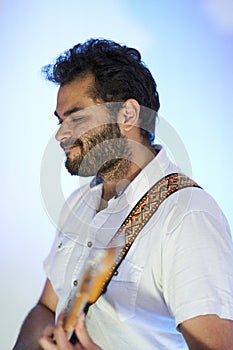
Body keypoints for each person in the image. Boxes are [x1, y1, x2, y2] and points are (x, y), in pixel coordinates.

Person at [13, 38, 233, 350]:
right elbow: (48, 308)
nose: (61, 134)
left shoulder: (187, 216)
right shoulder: (80, 204)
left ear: (128, 115)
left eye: (76, 117)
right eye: (61, 121)